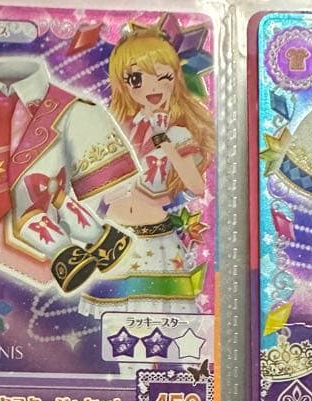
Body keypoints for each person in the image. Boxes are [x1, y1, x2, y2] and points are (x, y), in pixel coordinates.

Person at [79, 25, 216, 319]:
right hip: (114, 236)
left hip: (156, 241)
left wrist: (165, 143)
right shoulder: (118, 126)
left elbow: (196, 187)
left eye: (162, 77)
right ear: (124, 84)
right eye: (136, 79)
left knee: (160, 320)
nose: (151, 88)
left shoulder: (178, 134)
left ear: (175, 78)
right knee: (114, 323)